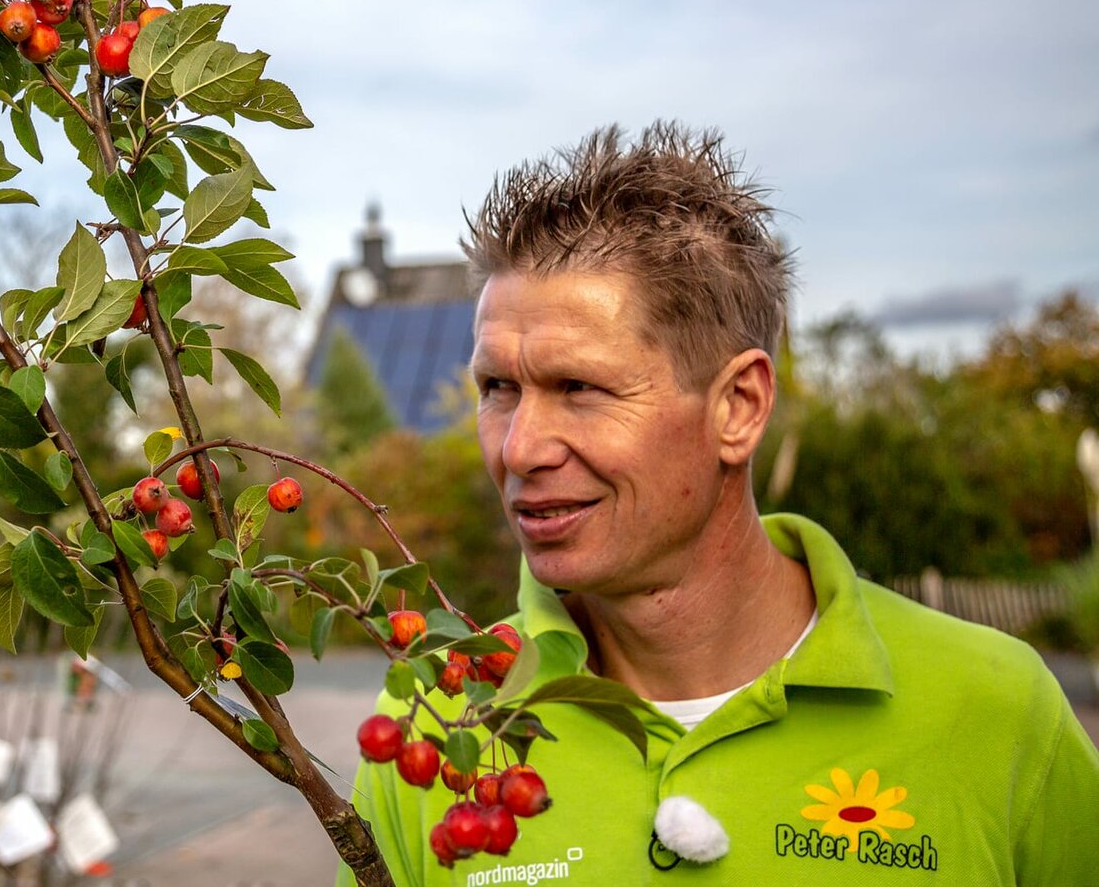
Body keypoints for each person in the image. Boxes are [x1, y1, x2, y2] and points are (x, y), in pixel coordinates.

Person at [339, 122, 1099, 885]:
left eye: (579, 387)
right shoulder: (441, 726)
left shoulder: (997, 713)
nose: (519, 448)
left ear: (739, 406)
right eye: (498, 388)